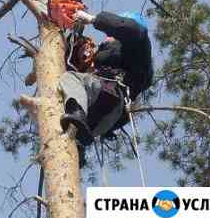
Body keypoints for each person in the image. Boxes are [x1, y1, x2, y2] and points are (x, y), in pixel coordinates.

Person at [58, 10, 153, 147]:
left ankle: (78, 112)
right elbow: (71, 63)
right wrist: (74, 37)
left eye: (111, 35)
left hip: (107, 92)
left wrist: (93, 19)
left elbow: (129, 29)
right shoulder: (104, 64)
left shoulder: (137, 45)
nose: (106, 38)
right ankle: (75, 151)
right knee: (70, 142)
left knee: (70, 78)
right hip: (105, 119)